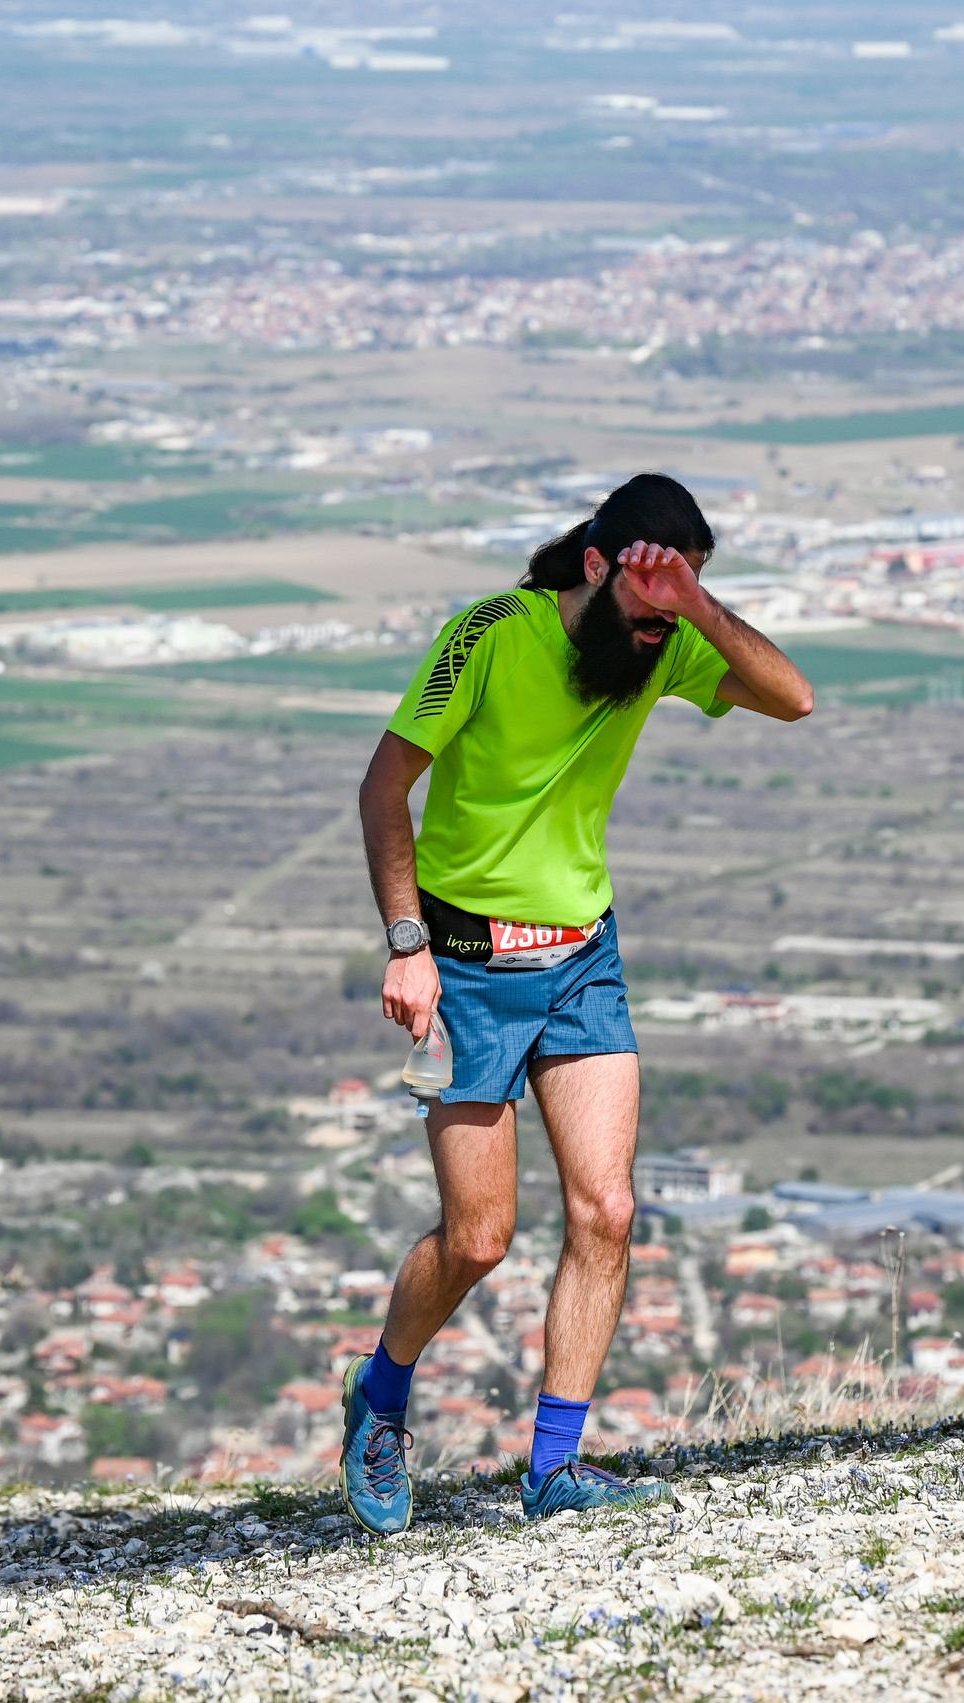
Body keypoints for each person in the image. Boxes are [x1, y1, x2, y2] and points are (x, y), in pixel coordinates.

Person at [344, 472, 813, 1532]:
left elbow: (793, 697)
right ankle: (378, 1396)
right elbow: (384, 787)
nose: (654, 640)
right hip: (462, 965)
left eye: (672, 618)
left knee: (608, 1210)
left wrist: (696, 609)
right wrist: (406, 944)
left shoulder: (668, 638)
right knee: (478, 1237)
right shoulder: (489, 635)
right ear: (596, 568)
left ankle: (553, 1469)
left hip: (582, 961)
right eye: (645, 611)